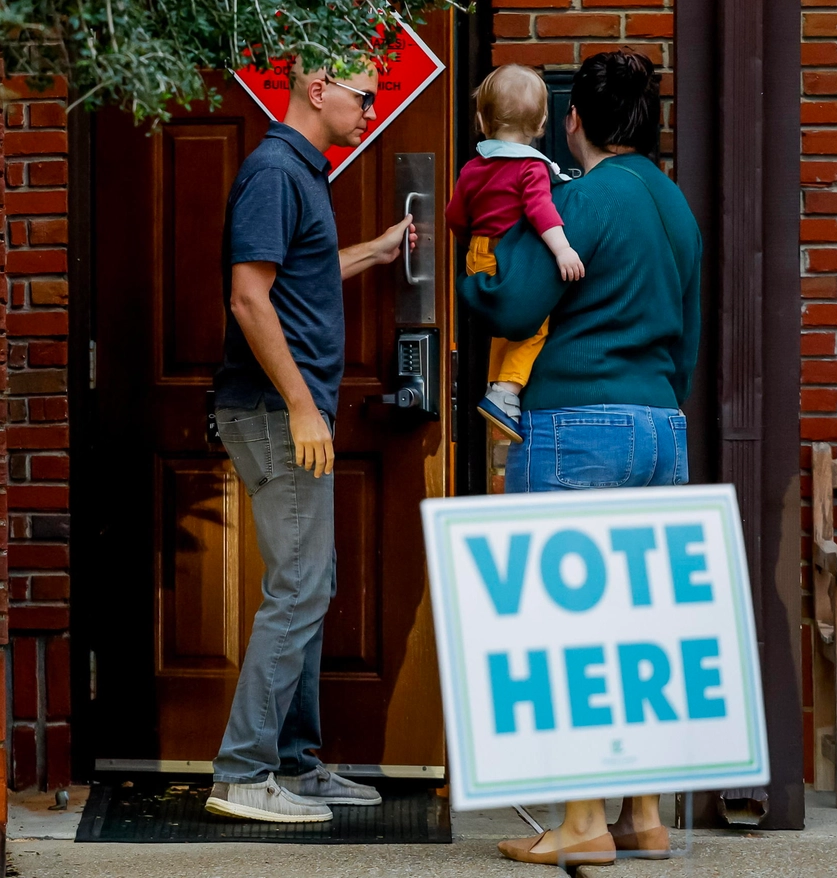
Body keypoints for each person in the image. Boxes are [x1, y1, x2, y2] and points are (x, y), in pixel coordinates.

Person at [458, 50, 702, 866]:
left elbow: (518, 299)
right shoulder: (676, 208)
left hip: (576, 425)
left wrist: (474, 275)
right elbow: (691, 335)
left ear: (574, 121)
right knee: (637, 629)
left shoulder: (583, 198)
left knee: (564, 632)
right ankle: (643, 815)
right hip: (663, 425)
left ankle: (581, 823)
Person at [202, 62, 416, 824]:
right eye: (363, 94)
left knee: (310, 585)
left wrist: (376, 251)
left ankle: (293, 763)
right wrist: (300, 404)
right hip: (271, 411)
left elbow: (299, 274)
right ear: (317, 89)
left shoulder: (300, 171)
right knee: (298, 588)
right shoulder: (272, 171)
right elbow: (248, 294)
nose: (370, 106)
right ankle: (243, 773)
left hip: (284, 410)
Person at [445, 64, 585, 443]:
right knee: (534, 324)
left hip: (479, 255)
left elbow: (455, 215)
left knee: (503, 328)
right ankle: (507, 390)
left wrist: (469, 243)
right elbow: (541, 211)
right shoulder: (530, 167)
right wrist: (563, 250)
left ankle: (498, 390)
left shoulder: (474, 167)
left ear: (480, 119)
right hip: (513, 258)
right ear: (542, 122)